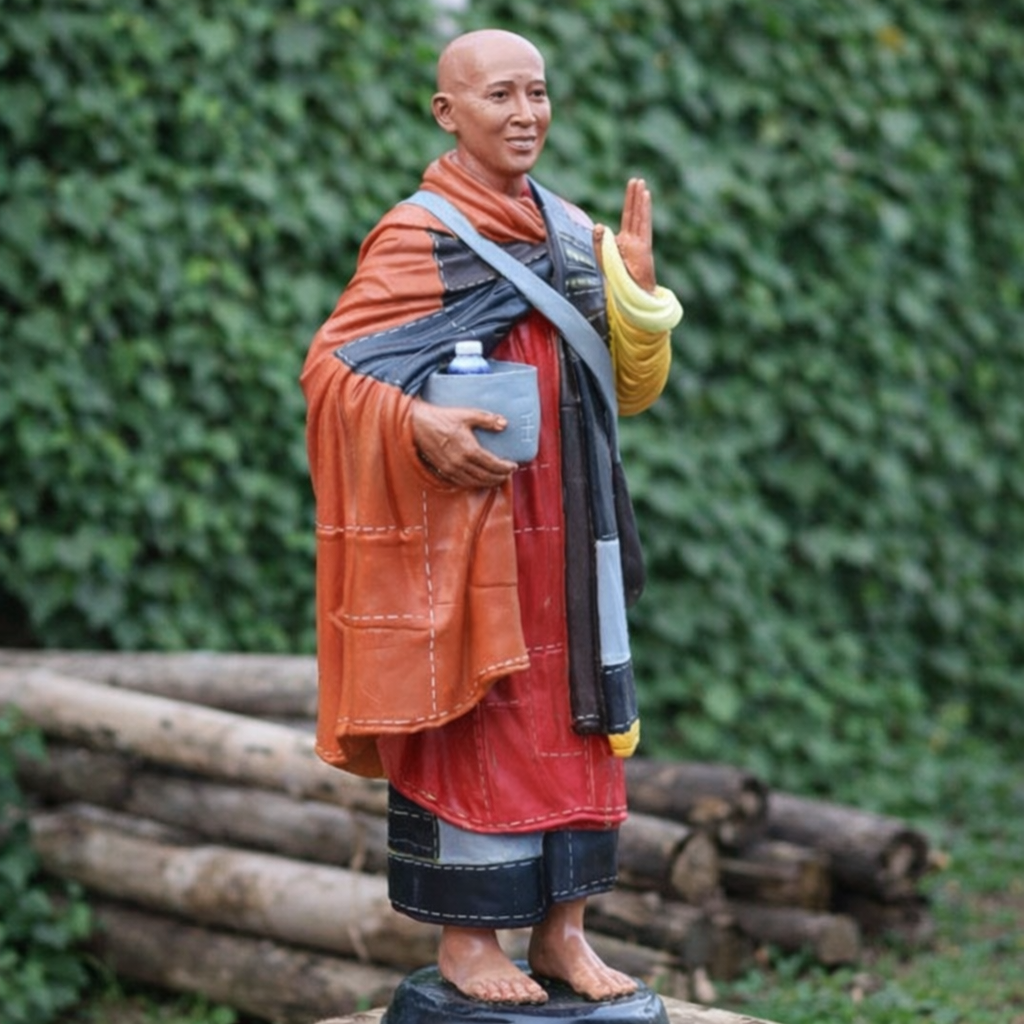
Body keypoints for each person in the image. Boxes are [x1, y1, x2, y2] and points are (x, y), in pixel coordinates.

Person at [301, 28, 682, 1006]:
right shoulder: (418, 232)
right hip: (472, 535)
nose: (524, 115)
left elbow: (629, 391)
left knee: (580, 720)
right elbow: (333, 370)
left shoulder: (565, 228)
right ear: (448, 112)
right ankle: (470, 941)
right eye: (500, 95)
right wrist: (415, 418)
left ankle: (563, 930)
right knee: (481, 721)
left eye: (537, 94)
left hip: (573, 527)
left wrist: (635, 294)